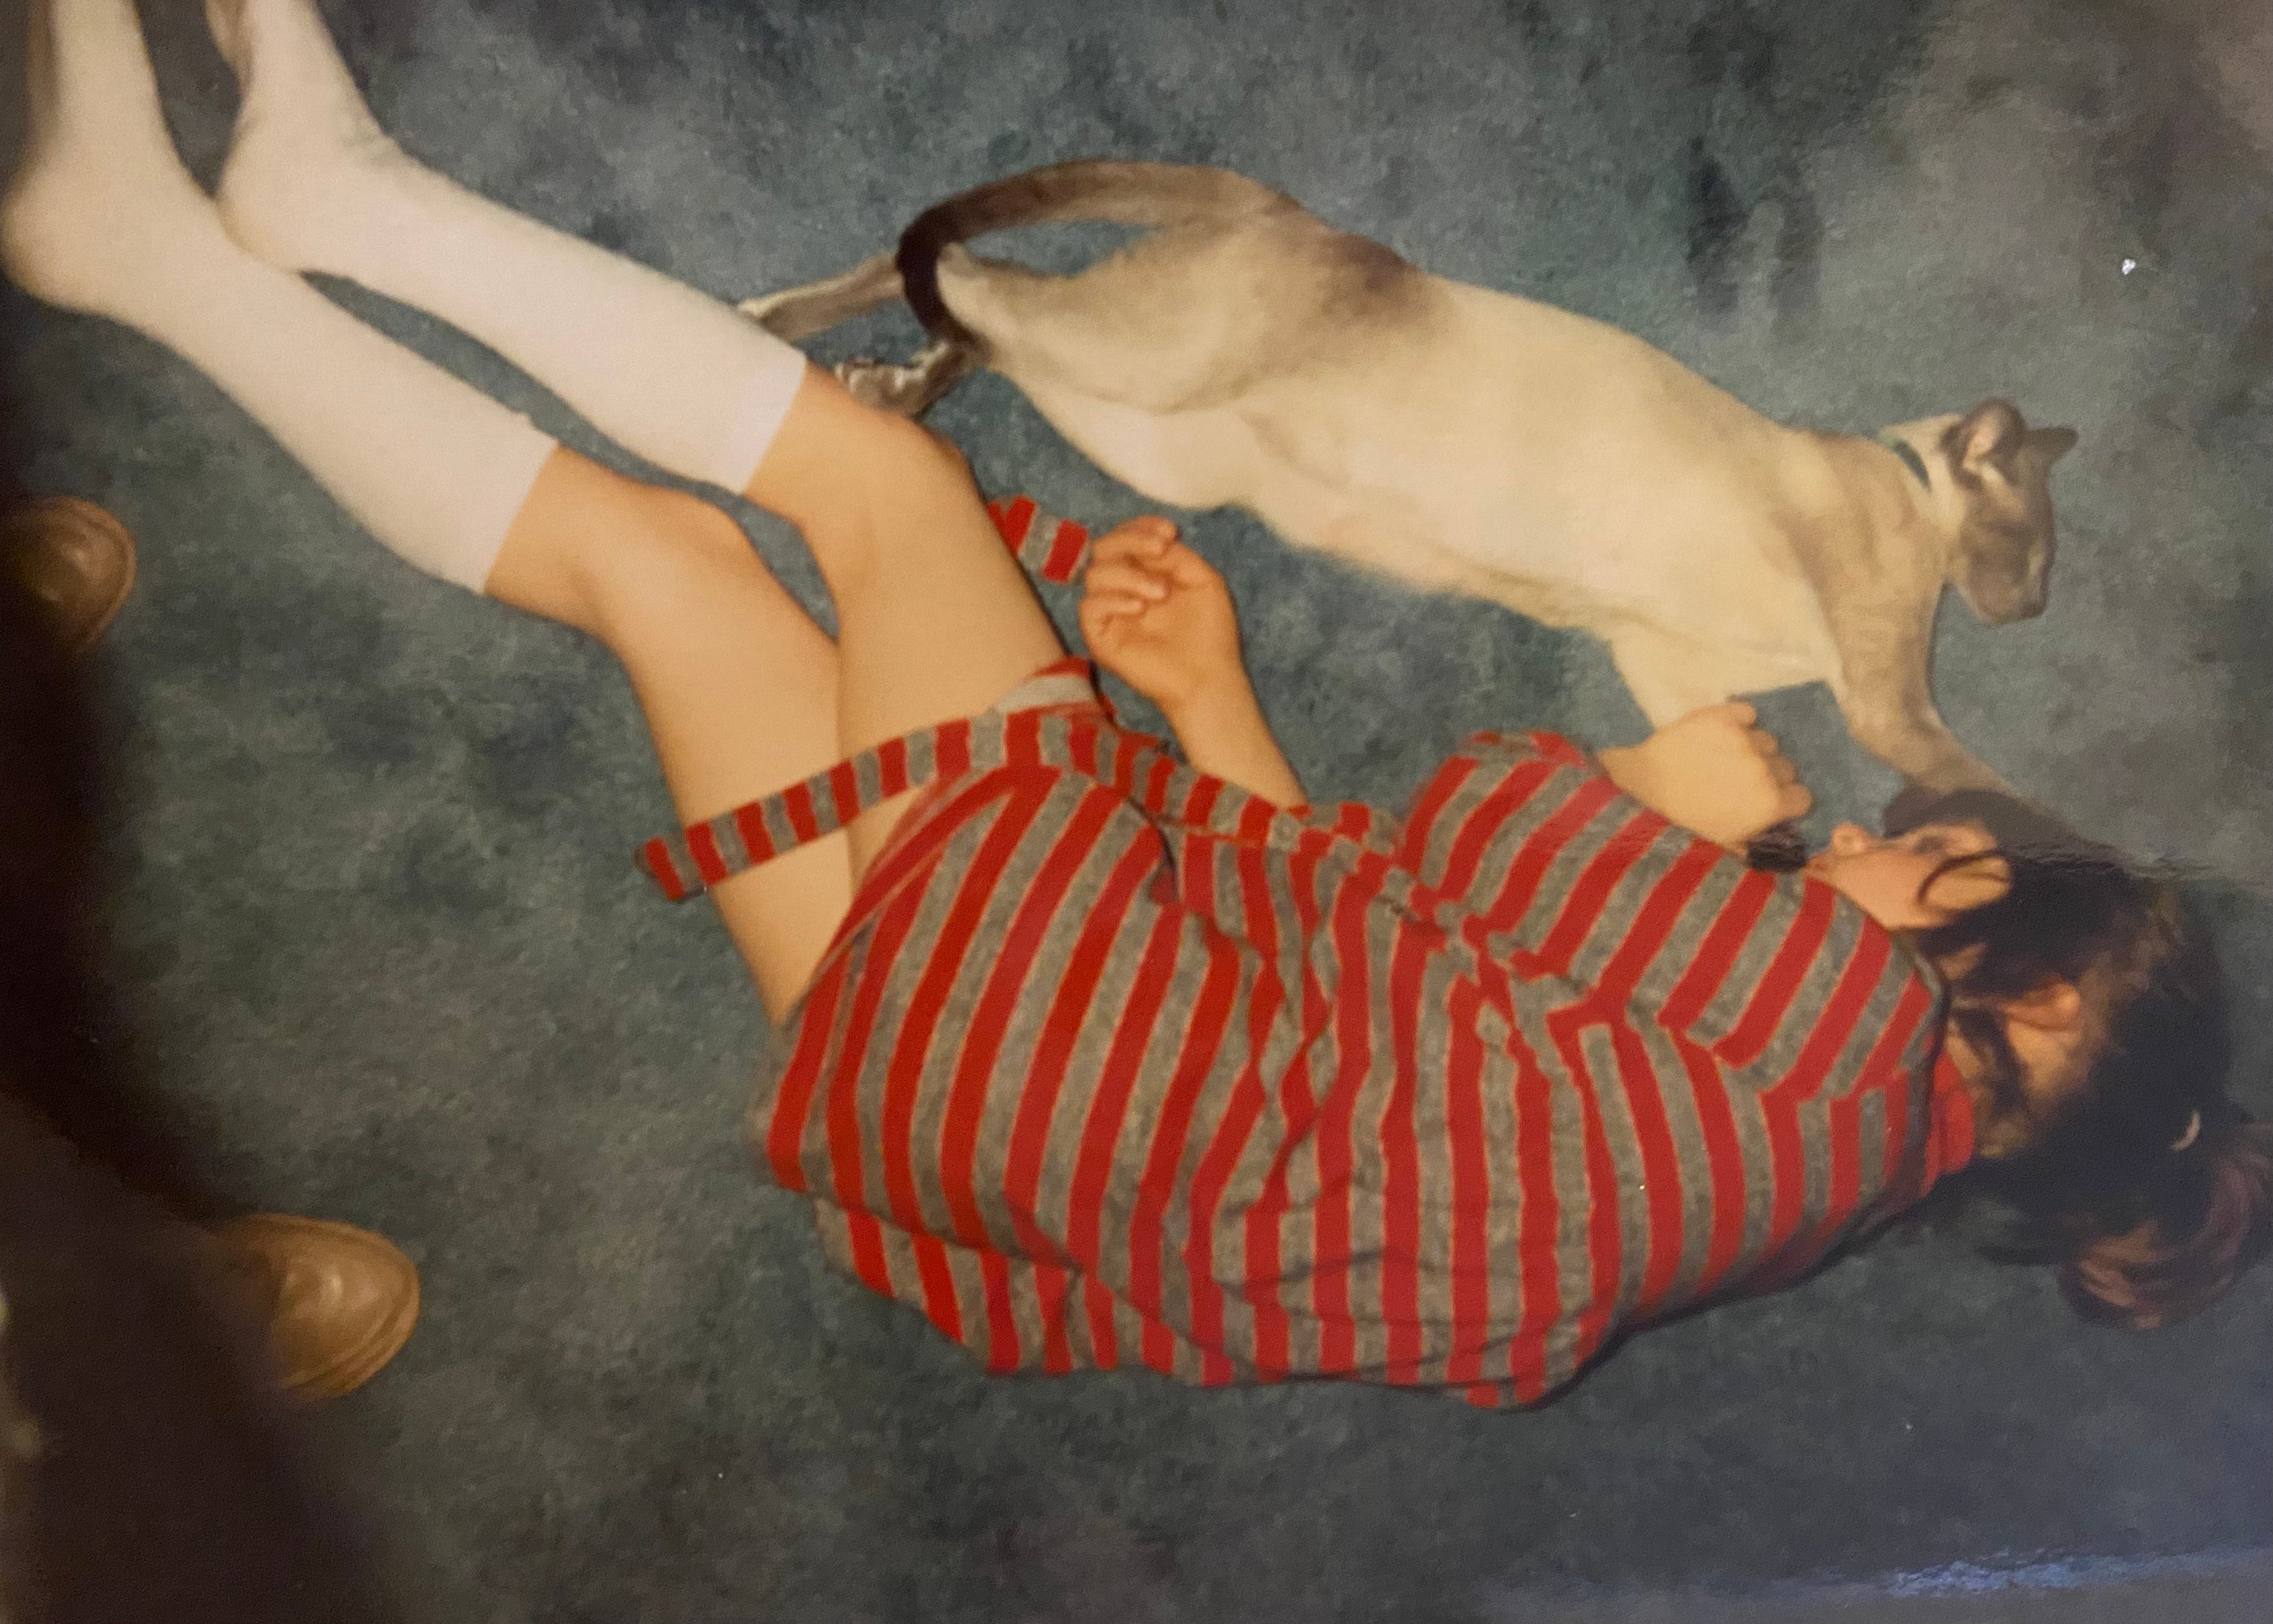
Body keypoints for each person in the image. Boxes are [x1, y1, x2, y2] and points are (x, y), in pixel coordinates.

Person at [3, 0, 2262, 1405]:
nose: (1848, 834)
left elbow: (1489, 831)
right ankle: (148, 254)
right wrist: (1204, 716)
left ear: (2002, 960)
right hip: (967, 1123)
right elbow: (1399, 1023)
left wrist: (1654, 793)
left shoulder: (1828, 1027)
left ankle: (349, 199)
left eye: (1909, 856)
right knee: (659, 573)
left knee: (881, 489)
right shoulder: (1794, 1187)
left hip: (1051, 1014)